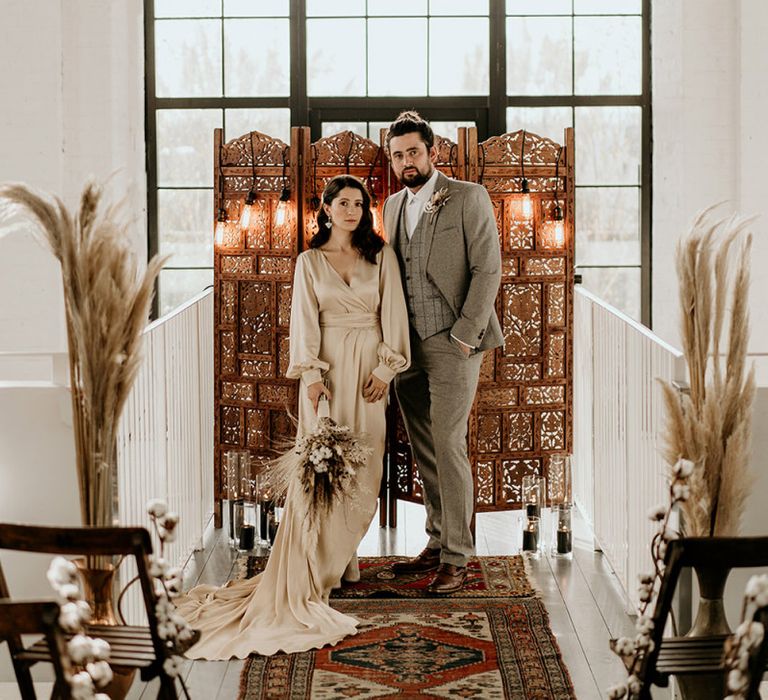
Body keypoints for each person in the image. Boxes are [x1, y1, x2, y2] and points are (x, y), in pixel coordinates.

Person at [176, 175, 410, 658]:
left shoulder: (380, 257)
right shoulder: (309, 262)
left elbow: (396, 316)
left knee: (363, 472)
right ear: (325, 210)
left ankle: (343, 560)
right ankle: (318, 571)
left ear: (367, 211)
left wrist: (387, 370)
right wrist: (311, 379)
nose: (351, 210)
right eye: (342, 203)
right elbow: (302, 321)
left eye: (359, 204)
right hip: (325, 375)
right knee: (321, 473)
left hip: (369, 370)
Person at [383, 111, 503, 594]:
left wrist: (463, 335)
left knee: (450, 444)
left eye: (413, 151)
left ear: (433, 152)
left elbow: (488, 268)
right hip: (405, 344)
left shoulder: (467, 197)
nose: (406, 161)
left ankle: (458, 556)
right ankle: (437, 540)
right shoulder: (391, 205)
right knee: (425, 445)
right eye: (397, 155)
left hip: (454, 340)